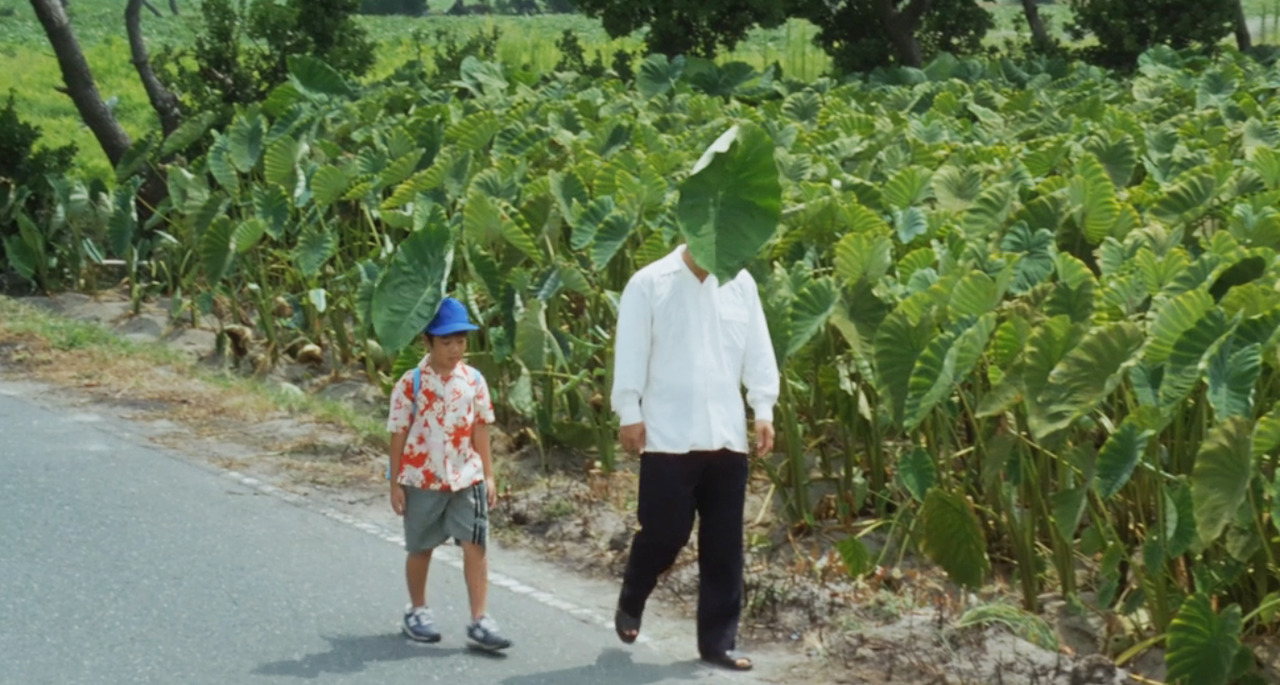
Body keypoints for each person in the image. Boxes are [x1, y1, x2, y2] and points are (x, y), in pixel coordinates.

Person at [610, 243, 780, 671]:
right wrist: (629, 411)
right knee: (665, 532)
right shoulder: (650, 283)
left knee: (725, 545)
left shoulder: (740, 283)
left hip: (725, 434)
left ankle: (718, 643)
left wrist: (763, 409)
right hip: (668, 434)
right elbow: (630, 351)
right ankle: (634, 589)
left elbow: (758, 349)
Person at [386, 296, 512, 651]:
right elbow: (397, 434)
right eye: (446, 342)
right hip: (422, 480)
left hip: (465, 477)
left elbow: (481, 428)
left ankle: (479, 619)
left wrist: (488, 474)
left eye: (460, 341)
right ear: (426, 341)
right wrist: (394, 483)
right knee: (421, 547)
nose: (455, 349)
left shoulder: (473, 381)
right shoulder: (410, 385)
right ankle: (418, 610)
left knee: (475, 545)